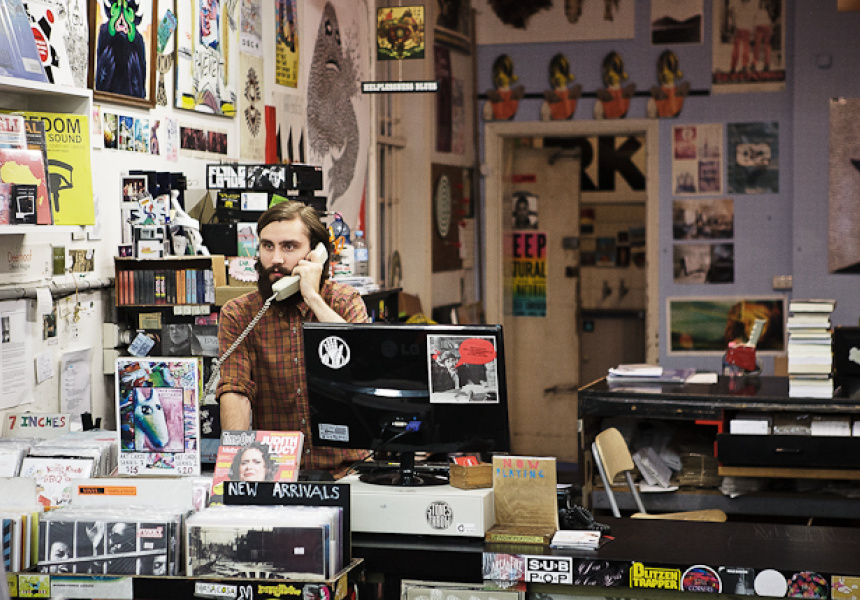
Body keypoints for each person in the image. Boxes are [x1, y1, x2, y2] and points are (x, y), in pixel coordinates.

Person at [217, 201, 369, 476]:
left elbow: (361, 368)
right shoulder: (239, 314)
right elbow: (235, 390)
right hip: (279, 472)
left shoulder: (345, 301)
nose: (276, 259)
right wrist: (234, 471)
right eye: (267, 246)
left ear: (316, 254)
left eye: (289, 247)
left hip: (350, 471)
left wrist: (313, 297)